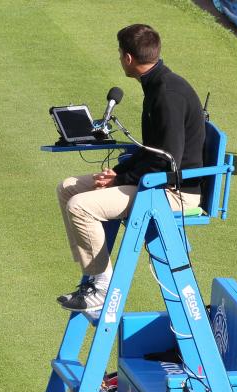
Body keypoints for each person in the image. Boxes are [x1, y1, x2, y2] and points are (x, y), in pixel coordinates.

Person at [56, 24, 205, 312]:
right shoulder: (157, 85)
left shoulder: (167, 94)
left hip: (174, 192)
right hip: (154, 181)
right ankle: (92, 276)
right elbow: (152, 149)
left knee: (80, 206)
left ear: (128, 58)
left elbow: (167, 158)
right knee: (68, 188)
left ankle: (101, 289)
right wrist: (117, 174)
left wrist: (121, 178)